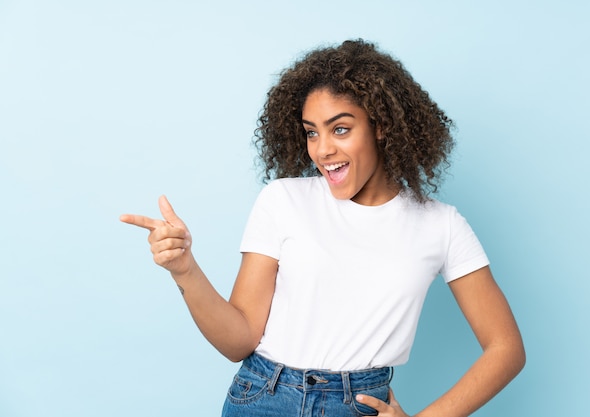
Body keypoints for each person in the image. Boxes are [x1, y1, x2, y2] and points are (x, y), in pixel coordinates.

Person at [120, 39, 525, 417]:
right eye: (312, 132)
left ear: (381, 125)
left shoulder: (442, 225)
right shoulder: (283, 200)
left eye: (341, 129)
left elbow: (506, 349)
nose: (322, 149)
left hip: (358, 404)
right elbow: (238, 341)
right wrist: (185, 269)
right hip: (262, 396)